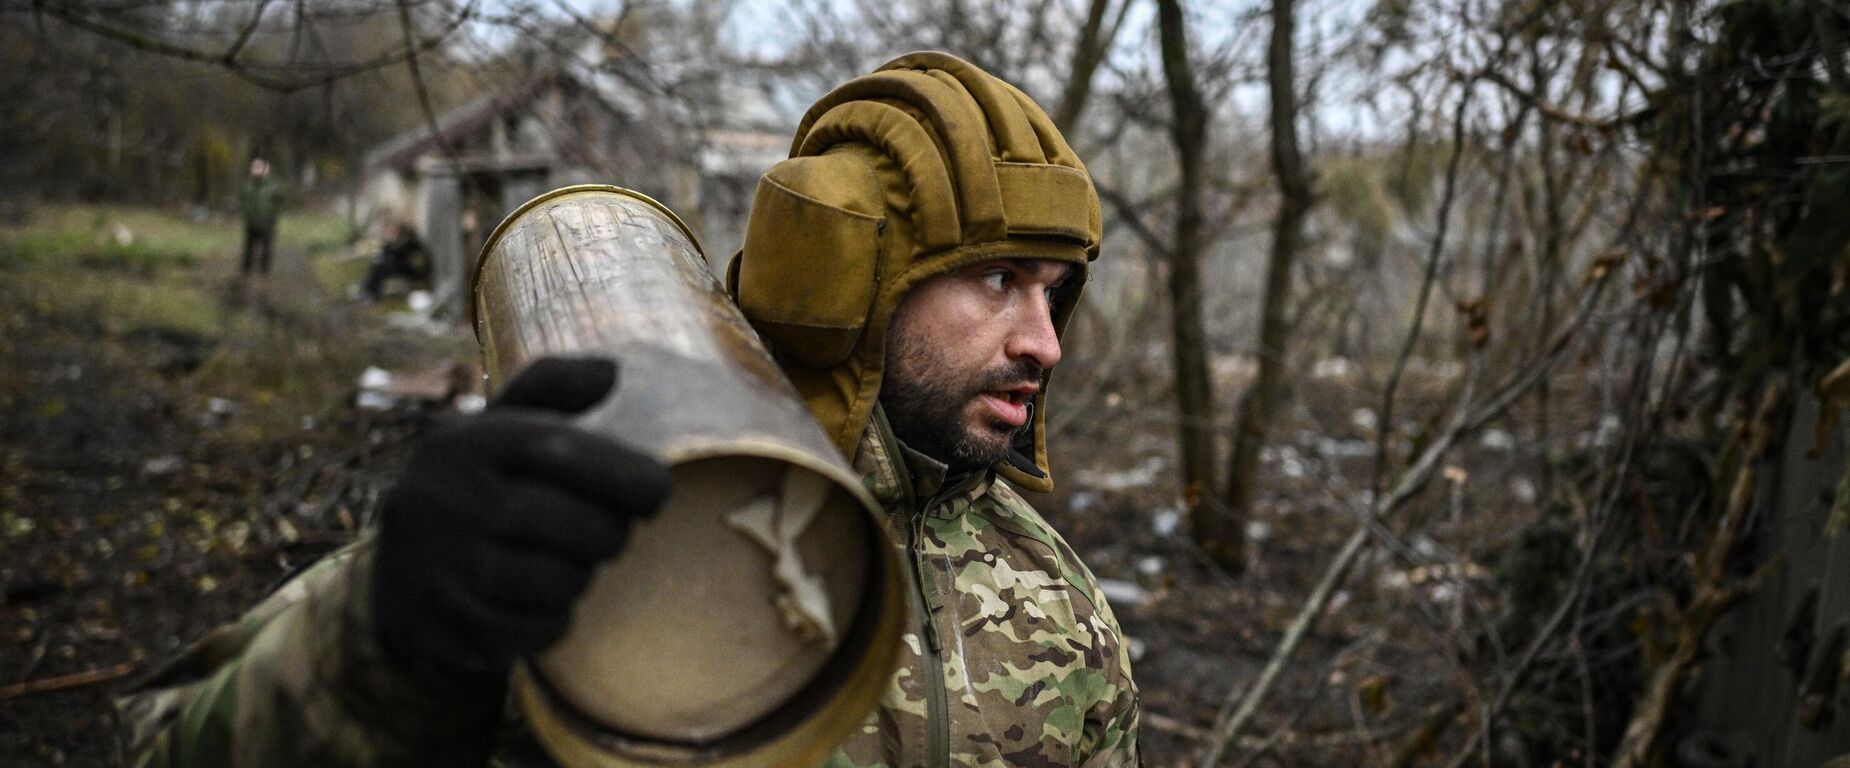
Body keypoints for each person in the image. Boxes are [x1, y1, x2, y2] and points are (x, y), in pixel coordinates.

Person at [117, 52, 1137, 767]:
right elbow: (163, 745)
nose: (1042, 342)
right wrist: (386, 645)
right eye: (998, 279)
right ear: (849, 278)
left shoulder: (1061, 606)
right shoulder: (606, 510)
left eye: (1055, 293)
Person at [358, 222, 432, 300]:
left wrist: (391, 257)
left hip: (412, 270)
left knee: (380, 267)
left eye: (393, 232)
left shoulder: (409, 242)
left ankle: (370, 290)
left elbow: (415, 262)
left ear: (399, 232)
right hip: (402, 267)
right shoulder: (395, 244)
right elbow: (388, 253)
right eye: (390, 233)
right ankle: (369, 289)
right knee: (378, 265)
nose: (390, 235)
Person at [237, 158, 285, 276]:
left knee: (266, 247)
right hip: (251, 222)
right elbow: (241, 201)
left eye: (259, 168)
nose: (256, 170)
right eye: (254, 168)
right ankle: (246, 270)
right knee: (249, 247)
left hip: (267, 222)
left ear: (265, 170)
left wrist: (273, 215)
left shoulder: (273, 186)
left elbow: (281, 201)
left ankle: (265, 270)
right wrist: (245, 214)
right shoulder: (247, 186)